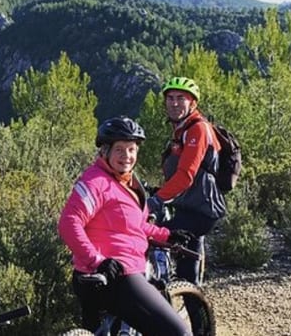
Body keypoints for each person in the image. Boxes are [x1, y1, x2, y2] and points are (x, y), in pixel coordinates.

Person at [58, 116, 195, 335]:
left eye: (131, 149)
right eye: (119, 150)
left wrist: (166, 235)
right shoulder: (96, 182)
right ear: (105, 151)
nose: (127, 156)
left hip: (110, 274)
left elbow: (135, 226)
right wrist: (97, 260)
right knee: (179, 333)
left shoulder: (124, 183)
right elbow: (68, 223)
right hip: (118, 276)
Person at [147, 76, 227, 285]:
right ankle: (192, 304)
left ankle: (164, 291)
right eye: (170, 98)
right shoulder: (181, 130)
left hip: (201, 211)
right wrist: (159, 191)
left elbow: (185, 175)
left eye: (181, 98)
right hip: (190, 207)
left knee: (155, 238)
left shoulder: (197, 129)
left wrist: (156, 200)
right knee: (188, 269)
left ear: (193, 103)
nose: (174, 103)